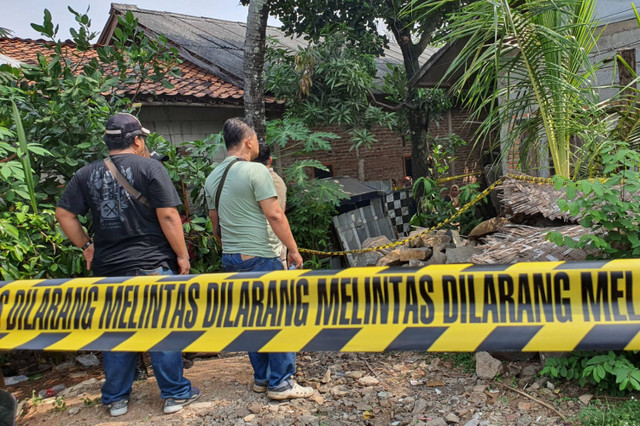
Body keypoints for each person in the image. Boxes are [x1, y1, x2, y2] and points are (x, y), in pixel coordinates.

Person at [55, 112, 200, 417]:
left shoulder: (85, 174)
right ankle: (174, 394)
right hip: (151, 264)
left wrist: (87, 246)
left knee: (116, 332)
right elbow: (170, 216)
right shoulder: (151, 168)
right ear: (136, 140)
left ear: (108, 141)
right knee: (162, 330)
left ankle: (116, 399)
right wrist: (182, 255)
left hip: (108, 269)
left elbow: (64, 214)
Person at [204, 117, 313, 400]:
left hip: (232, 258)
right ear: (249, 141)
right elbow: (275, 214)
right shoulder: (256, 171)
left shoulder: (213, 176)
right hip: (261, 256)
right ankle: (282, 383)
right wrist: (293, 249)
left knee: (252, 319)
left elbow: (215, 224)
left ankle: (262, 378)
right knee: (280, 319)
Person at [253, 142, 287, 269]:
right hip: (270, 248)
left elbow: (276, 215)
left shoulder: (268, 180)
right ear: (270, 160)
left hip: (272, 248)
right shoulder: (276, 180)